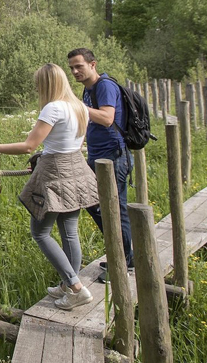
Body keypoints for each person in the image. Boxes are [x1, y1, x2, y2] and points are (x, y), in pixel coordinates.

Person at [0, 64, 99, 310]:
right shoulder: (80, 107)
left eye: (38, 84)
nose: (36, 88)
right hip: (75, 170)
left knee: (40, 233)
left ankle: (75, 287)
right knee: (69, 232)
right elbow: (68, 143)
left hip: (55, 174)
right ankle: (68, 283)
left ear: (46, 84)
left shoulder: (53, 108)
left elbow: (28, 146)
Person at [67, 47, 134, 283]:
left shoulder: (104, 86)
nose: (75, 71)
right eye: (72, 68)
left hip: (113, 158)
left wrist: (77, 106)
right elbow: (90, 123)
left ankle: (124, 262)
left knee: (116, 209)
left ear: (92, 64)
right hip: (99, 157)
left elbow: (106, 118)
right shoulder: (88, 90)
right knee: (96, 204)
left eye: (79, 66)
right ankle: (123, 256)